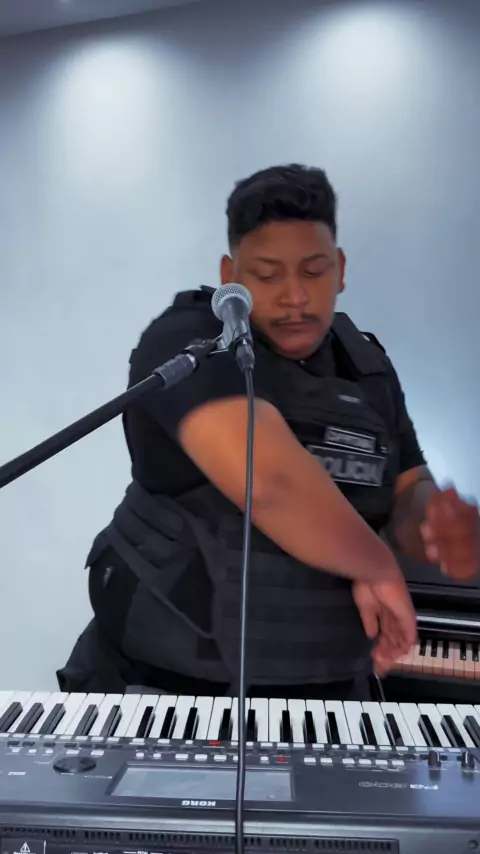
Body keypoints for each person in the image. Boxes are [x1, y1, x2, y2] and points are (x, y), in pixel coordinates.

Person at [59, 164, 479, 702]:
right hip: (160, 692)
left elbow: (406, 487)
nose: (294, 297)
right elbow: (269, 479)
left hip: (327, 697)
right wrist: (376, 564)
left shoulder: (369, 368)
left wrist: (431, 522)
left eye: (313, 272)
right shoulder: (190, 341)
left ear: (340, 270)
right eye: (267, 274)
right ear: (230, 275)